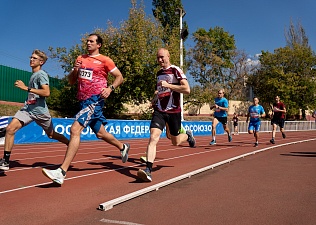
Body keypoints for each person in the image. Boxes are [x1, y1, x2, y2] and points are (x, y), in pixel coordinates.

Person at [42, 34, 130, 184]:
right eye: (87, 41)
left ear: (99, 45)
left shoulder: (105, 60)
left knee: (74, 130)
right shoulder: (80, 58)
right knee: (101, 133)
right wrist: (75, 71)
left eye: (91, 41)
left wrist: (110, 88)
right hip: (82, 100)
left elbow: (119, 77)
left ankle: (61, 171)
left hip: (95, 99)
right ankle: (123, 147)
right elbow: (71, 81)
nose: (88, 43)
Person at [0, 50, 69, 171]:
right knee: (11, 129)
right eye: (31, 57)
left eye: (34, 58)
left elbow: (46, 92)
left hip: (40, 112)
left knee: (51, 135)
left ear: (41, 62)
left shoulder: (41, 74)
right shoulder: (33, 74)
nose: (31, 59)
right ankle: (5, 161)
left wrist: (26, 88)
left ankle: (69, 143)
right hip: (28, 109)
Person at [137, 48, 196, 182]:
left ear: (168, 56)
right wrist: (154, 99)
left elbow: (187, 89)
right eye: (158, 58)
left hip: (174, 111)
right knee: (153, 137)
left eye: (162, 57)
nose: (160, 60)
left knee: (174, 141)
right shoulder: (158, 73)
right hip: (160, 111)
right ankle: (148, 170)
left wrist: (169, 85)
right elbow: (160, 90)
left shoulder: (176, 70)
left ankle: (187, 135)